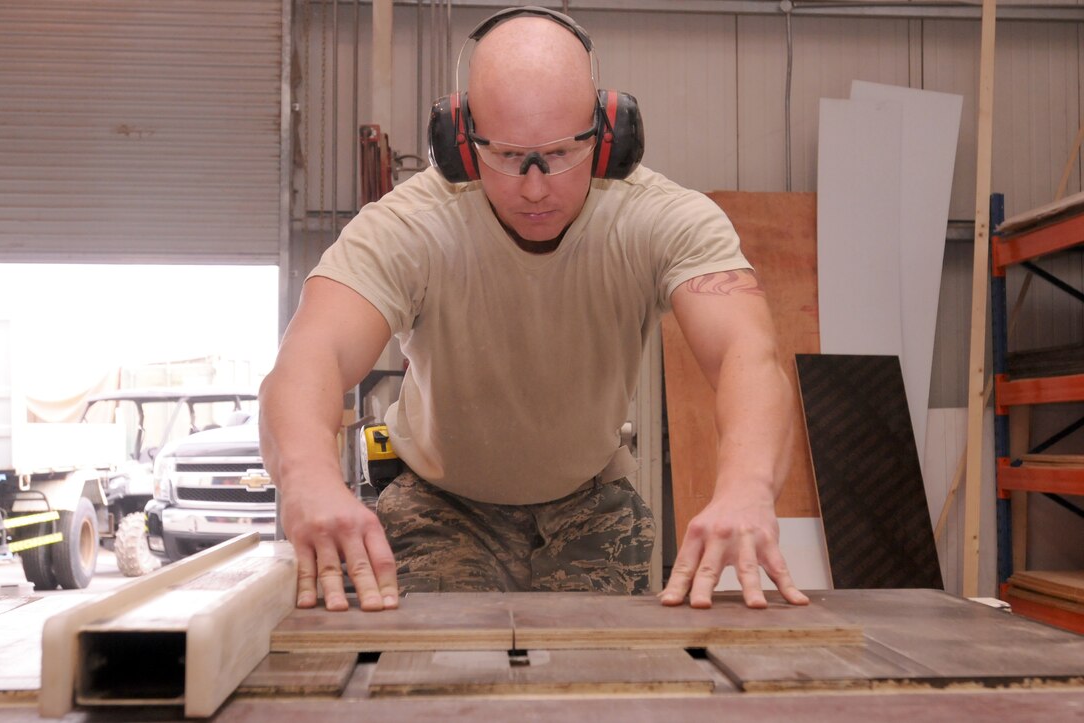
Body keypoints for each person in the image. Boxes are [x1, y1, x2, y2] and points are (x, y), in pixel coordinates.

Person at [259, 6, 809, 614]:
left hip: (592, 506)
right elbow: (312, 355)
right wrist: (307, 477)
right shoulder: (409, 226)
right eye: (505, 154)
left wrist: (747, 487)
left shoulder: (664, 218)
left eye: (563, 152)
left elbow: (746, 355)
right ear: (460, 142)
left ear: (610, 134)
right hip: (440, 507)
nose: (535, 186)